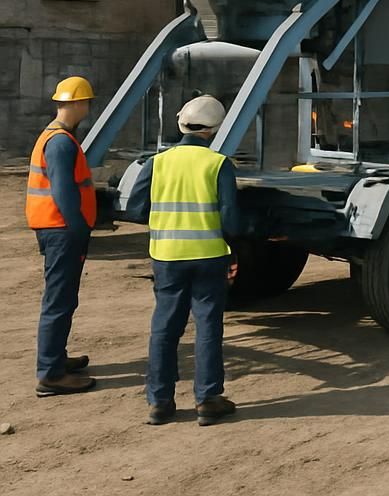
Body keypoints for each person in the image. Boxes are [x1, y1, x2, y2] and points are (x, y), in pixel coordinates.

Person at [124, 94, 242, 426]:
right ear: (215, 129)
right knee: (207, 326)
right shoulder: (218, 164)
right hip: (208, 257)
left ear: (181, 124)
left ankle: (160, 402)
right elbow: (231, 221)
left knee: (164, 328)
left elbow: (134, 209)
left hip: (167, 257)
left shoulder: (156, 163)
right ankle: (208, 399)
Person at [26, 76, 98, 397]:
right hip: (62, 230)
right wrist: (80, 229)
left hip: (54, 228)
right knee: (59, 300)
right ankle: (51, 374)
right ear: (80, 104)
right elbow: (64, 192)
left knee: (63, 298)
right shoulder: (61, 143)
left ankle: (56, 358)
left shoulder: (53, 137)